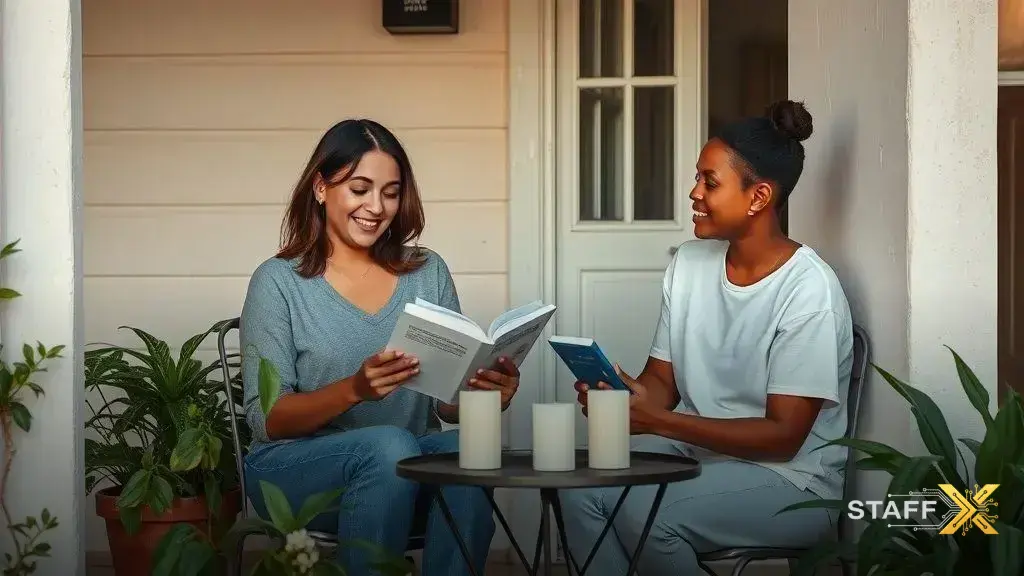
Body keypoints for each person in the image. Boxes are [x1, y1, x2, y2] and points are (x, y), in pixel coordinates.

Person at [559, 99, 854, 575]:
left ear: (758, 197)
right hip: (698, 454)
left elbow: (782, 438)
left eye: (709, 182)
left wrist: (657, 422)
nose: (694, 192)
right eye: (698, 177)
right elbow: (662, 383)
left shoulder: (808, 290)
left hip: (792, 484)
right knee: (581, 490)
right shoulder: (690, 265)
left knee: (647, 512)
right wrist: (626, 397)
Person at [239, 119, 511, 575]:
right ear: (321, 187)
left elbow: (447, 406)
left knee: (471, 445)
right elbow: (269, 420)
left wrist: (485, 393)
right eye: (360, 188)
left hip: (406, 469)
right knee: (388, 445)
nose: (376, 207)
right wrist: (355, 390)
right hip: (295, 472)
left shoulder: (427, 272)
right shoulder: (278, 282)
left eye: (390, 191)